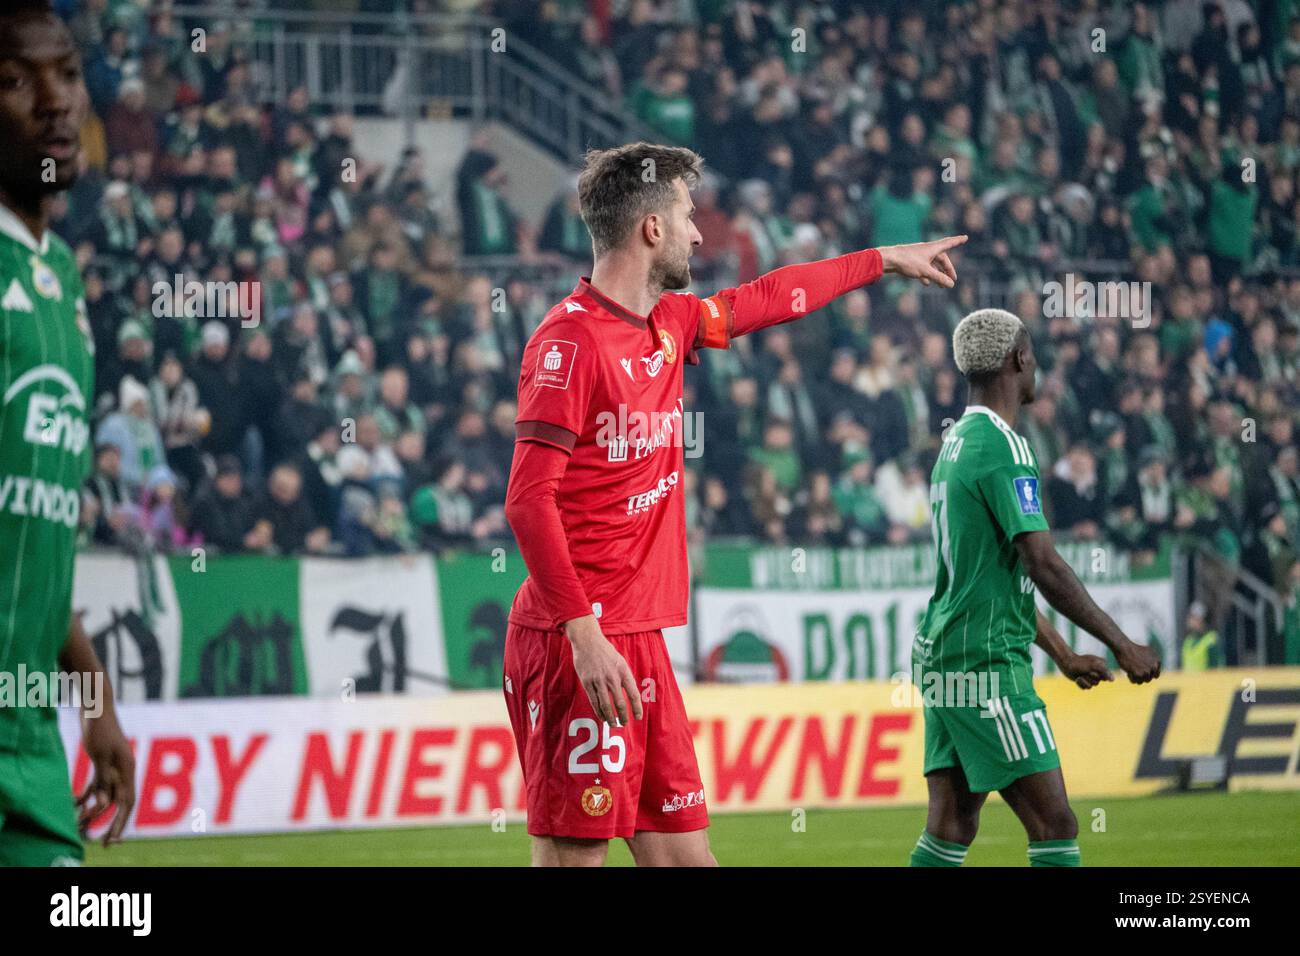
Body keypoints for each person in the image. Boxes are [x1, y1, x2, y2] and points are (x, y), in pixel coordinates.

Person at [502, 141, 966, 867]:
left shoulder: (672, 324)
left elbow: (769, 298)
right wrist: (583, 633)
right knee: (573, 860)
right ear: (650, 229)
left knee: (689, 860)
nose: (698, 233)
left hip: (641, 640)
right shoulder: (568, 342)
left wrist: (881, 259)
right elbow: (528, 502)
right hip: (578, 644)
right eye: (687, 216)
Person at [909, 309, 1162, 869]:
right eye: (1033, 352)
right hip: (985, 662)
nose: (1037, 363)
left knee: (953, 824)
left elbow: (999, 574)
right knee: (1055, 823)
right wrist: (1122, 643)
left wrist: (1066, 655)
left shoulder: (954, 445)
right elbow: (1043, 564)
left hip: (944, 653)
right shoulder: (1005, 446)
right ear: (1019, 358)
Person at [0, 0, 134, 863]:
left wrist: (96, 700)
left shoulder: (59, 281)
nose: (55, 101)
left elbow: (32, 535)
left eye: (68, 74)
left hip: (30, 750)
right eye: (15, 80)